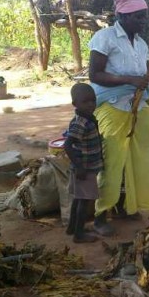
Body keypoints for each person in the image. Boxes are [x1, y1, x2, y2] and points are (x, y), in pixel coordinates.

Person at [88, 0, 149, 236]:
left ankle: (134, 206)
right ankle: (100, 214)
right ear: (122, 15)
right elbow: (95, 75)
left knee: (142, 157)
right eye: (138, 17)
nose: (143, 21)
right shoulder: (105, 38)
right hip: (113, 106)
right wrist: (129, 79)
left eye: (144, 16)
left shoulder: (141, 44)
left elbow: (148, 78)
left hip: (139, 107)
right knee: (113, 161)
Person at [64, 83, 102, 243]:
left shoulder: (88, 119)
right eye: (86, 102)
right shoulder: (81, 122)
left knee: (79, 198)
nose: (91, 105)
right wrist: (79, 166)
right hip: (84, 169)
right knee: (84, 201)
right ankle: (79, 235)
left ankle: (72, 227)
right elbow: (68, 144)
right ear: (75, 104)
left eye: (93, 101)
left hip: (86, 167)